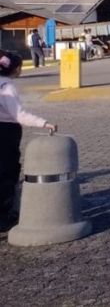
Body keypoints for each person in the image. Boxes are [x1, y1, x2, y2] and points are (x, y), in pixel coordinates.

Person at [0, 52, 57, 225]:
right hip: (6, 132)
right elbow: (19, 115)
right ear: (16, 69)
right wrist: (44, 123)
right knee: (7, 172)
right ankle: (4, 216)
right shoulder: (7, 86)